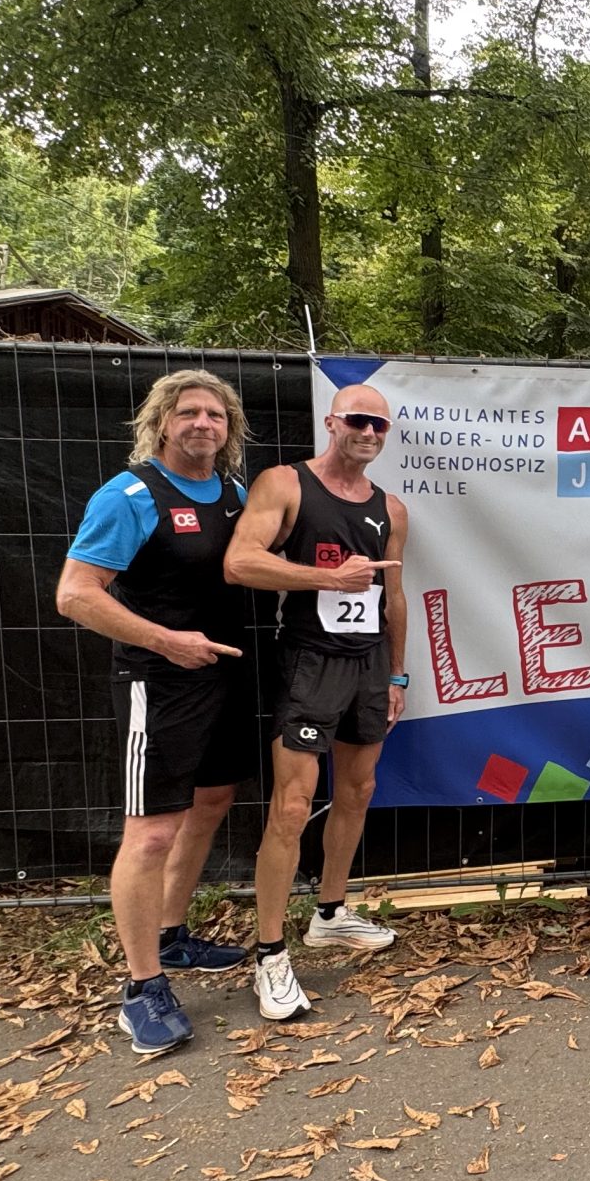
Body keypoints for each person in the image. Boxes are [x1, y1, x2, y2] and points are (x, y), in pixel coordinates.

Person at [55, 369, 256, 1056]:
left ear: (229, 429)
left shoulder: (234, 494)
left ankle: (171, 936)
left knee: (213, 800)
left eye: (215, 415)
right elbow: (75, 594)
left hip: (224, 676)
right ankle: (143, 987)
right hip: (159, 682)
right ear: (162, 422)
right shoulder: (131, 494)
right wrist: (167, 642)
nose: (203, 423)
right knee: (149, 834)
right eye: (188, 412)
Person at [226, 384, 409, 1019]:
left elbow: (393, 595)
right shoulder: (286, 484)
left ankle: (330, 913)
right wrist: (327, 578)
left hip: (370, 666)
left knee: (358, 790)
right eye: (358, 420)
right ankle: (270, 955)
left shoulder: (391, 508)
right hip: (308, 662)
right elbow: (239, 563)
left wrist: (398, 675)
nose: (369, 432)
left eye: (379, 425)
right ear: (332, 422)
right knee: (292, 805)